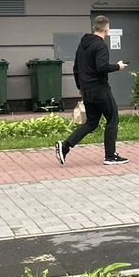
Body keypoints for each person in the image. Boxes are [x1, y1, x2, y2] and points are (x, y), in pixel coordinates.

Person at [56, 15, 130, 165]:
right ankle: (110, 156)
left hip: (87, 90)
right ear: (107, 29)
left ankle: (65, 146)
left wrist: (80, 87)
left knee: (92, 123)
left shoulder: (82, 45)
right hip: (100, 89)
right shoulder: (100, 46)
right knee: (112, 119)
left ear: (94, 27)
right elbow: (101, 67)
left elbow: (76, 68)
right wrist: (118, 66)